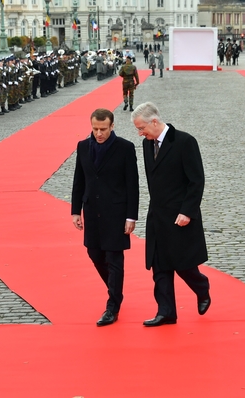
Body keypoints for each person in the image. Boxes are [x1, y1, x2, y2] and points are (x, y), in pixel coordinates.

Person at [131, 102, 211, 327]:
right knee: (159, 266)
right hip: (157, 215)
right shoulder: (148, 144)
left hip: (180, 216)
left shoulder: (185, 142)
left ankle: (201, 287)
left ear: (154, 122)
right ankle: (166, 312)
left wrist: (187, 211)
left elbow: (197, 180)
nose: (140, 133)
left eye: (142, 128)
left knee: (183, 263)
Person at [71, 108, 139, 327]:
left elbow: (133, 185)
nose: (99, 133)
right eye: (95, 129)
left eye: (103, 129)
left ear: (112, 126)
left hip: (116, 213)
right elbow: (78, 181)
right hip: (91, 211)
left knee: (114, 258)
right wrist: (75, 210)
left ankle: (113, 306)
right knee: (94, 254)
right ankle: (115, 290)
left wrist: (131, 216)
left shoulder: (125, 148)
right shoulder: (83, 146)